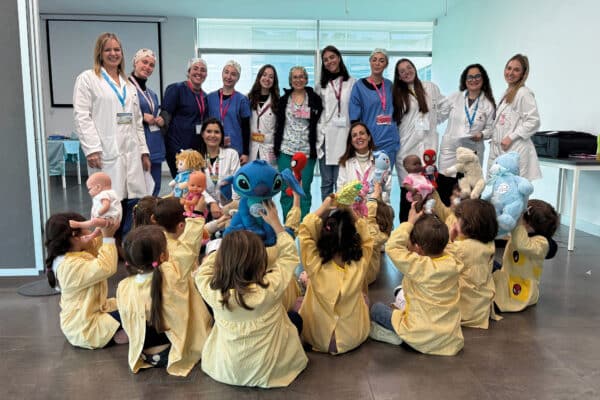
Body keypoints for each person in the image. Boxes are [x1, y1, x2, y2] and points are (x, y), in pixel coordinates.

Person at [195, 200, 307, 388]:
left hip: (226, 370)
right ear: (261, 262)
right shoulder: (270, 287)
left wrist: (227, 247)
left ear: (222, 260)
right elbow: (289, 256)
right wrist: (276, 224)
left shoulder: (212, 289)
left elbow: (204, 270)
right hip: (271, 371)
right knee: (295, 319)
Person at [73, 32, 150, 238]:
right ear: (100, 53)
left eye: (117, 49)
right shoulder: (88, 79)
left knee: (132, 201)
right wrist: (92, 148)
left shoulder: (128, 84)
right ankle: (108, 244)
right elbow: (82, 115)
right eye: (108, 50)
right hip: (105, 151)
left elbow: (137, 121)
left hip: (131, 152)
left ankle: (125, 244)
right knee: (108, 203)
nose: (113, 53)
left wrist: (143, 151)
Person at [117, 216, 212, 376]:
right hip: (174, 353)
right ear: (162, 256)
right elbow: (188, 248)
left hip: (145, 354)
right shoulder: (172, 273)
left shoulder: (124, 286)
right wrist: (195, 218)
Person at [369, 203, 464, 356]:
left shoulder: (419, 265)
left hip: (419, 335)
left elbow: (392, 247)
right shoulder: (453, 261)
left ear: (418, 248)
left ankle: (400, 337)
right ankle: (402, 335)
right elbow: (445, 244)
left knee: (376, 309)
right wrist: (434, 222)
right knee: (401, 292)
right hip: (448, 338)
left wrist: (410, 222)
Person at [298, 196, 374, 354]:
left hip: (316, 338)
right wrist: (350, 211)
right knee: (364, 299)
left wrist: (324, 207)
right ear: (354, 238)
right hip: (352, 338)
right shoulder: (360, 263)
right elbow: (368, 239)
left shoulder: (314, 263)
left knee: (299, 302)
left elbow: (304, 231)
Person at [44, 212, 127, 349]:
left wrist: (102, 228)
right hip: (86, 328)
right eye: (87, 230)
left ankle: (119, 332)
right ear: (75, 237)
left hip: (92, 313)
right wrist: (108, 237)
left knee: (130, 302)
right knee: (139, 310)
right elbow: (106, 267)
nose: (90, 232)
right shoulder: (68, 266)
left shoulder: (74, 250)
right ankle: (118, 334)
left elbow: (95, 245)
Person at [392, 58, 444, 222]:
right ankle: (406, 229)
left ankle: (426, 231)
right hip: (407, 149)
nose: (407, 72)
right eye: (402, 71)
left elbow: (444, 107)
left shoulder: (429, 87)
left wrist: (434, 121)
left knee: (428, 193)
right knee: (409, 193)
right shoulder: (396, 94)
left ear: (414, 68)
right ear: (399, 76)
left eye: (409, 68)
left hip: (427, 148)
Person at [437, 64, 496, 204]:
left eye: (477, 76)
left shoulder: (488, 104)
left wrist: (482, 134)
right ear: (465, 80)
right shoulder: (455, 97)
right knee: (445, 191)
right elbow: (439, 116)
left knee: (469, 195)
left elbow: (492, 129)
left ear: (483, 79)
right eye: (470, 77)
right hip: (451, 150)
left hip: (472, 150)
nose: (473, 80)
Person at [435, 198, 498, 328]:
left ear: (469, 225)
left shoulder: (461, 248)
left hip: (463, 310)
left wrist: (450, 237)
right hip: (480, 308)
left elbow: (439, 254)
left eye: (458, 220)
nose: (455, 222)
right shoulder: (489, 244)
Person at [274, 66, 323, 219]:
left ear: (306, 79)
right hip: (286, 151)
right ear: (290, 80)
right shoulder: (284, 100)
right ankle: (289, 225)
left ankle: (303, 226)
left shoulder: (314, 99)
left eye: (301, 76)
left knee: (304, 190)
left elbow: (319, 123)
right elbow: (279, 124)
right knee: (286, 190)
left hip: (307, 153)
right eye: (295, 77)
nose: (298, 80)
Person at [493, 199, 558, 312]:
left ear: (528, 225)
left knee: (492, 291)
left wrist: (518, 224)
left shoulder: (541, 243)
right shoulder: (525, 234)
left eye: (521, 219)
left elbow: (521, 244)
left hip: (520, 286)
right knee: (488, 265)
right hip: (508, 273)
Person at [488, 54, 541, 181]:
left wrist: (510, 137)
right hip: (501, 150)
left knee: (513, 189)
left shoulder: (524, 93)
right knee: (499, 188)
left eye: (516, 70)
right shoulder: (507, 93)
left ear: (523, 74)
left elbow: (533, 121)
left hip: (515, 149)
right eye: (509, 68)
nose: (511, 73)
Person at [316, 45, 356, 199]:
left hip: (345, 136)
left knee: (343, 183)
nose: (329, 61)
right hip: (326, 138)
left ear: (339, 58)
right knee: (327, 182)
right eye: (325, 60)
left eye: (332, 57)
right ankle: (326, 213)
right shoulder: (320, 86)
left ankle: (342, 213)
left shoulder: (352, 83)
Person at [349, 48, 399, 165]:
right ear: (370, 62)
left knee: (386, 175)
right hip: (370, 141)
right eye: (374, 60)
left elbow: (397, 110)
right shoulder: (359, 86)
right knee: (368, 175)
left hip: (389, 141)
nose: (377, 63)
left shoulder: (390, 85)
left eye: (381, 61)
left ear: (386, 64)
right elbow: (354, 117)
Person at [161, 58, 209, 178]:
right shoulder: (176, 89)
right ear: (188, 72)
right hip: (177, 148)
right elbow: (165, 119)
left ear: (206, 75)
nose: (199, 72)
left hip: (196, 150)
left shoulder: (205, 96)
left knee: (195, 183)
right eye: (195, 69)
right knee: (182, 182)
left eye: (203, 70)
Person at [129, 48, 165, 196]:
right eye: (144, 62)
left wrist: (160, 120)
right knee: (138, 192)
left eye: (151, 65)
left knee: (154, 188)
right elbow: (118, 117)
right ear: (135, 62)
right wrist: (141, 117)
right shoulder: (125, 88)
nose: (148, 67)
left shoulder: (152, 94)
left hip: (154, 146)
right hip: (136, 147)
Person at [207, 60, 252, 164]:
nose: (229, 76)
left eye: (233, 74)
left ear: (237, 78)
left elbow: (246, 128)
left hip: (235, 149)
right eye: (226, 72)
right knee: (213, 173)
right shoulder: (210, 98)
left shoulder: (242, 100)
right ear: (222, 74)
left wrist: (246, 153)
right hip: (213, 147)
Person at [337, 122, 392, 204]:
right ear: (351, 142)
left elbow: (387, 191)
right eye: (354, 135)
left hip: (377, 207)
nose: (358, 137)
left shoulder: (382, 160)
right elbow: (340, 192)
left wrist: (370, 200)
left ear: (369, 137)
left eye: (362, 133)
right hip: (352, 208)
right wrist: (355, 200)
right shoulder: (345, 163)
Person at [198, 118, 241, 220]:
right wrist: (212, 203)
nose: (212, 135)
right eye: (209, 131)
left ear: (222, 136)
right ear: (202, 134)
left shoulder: (232, 154)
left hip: (229, 207)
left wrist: (227, 208)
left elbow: (236, 182)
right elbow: (196, 186)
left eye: (217, 132)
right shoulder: (196, 157)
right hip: (205, 207)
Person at [248, 64, 280, 166]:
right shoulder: (249, 99)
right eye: (264, 75)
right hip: (252, 147)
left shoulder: (277, 102)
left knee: (268, 174)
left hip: (269, 148)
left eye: (271, 77)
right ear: (259, 77)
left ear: (274, 81)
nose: (267, 79)